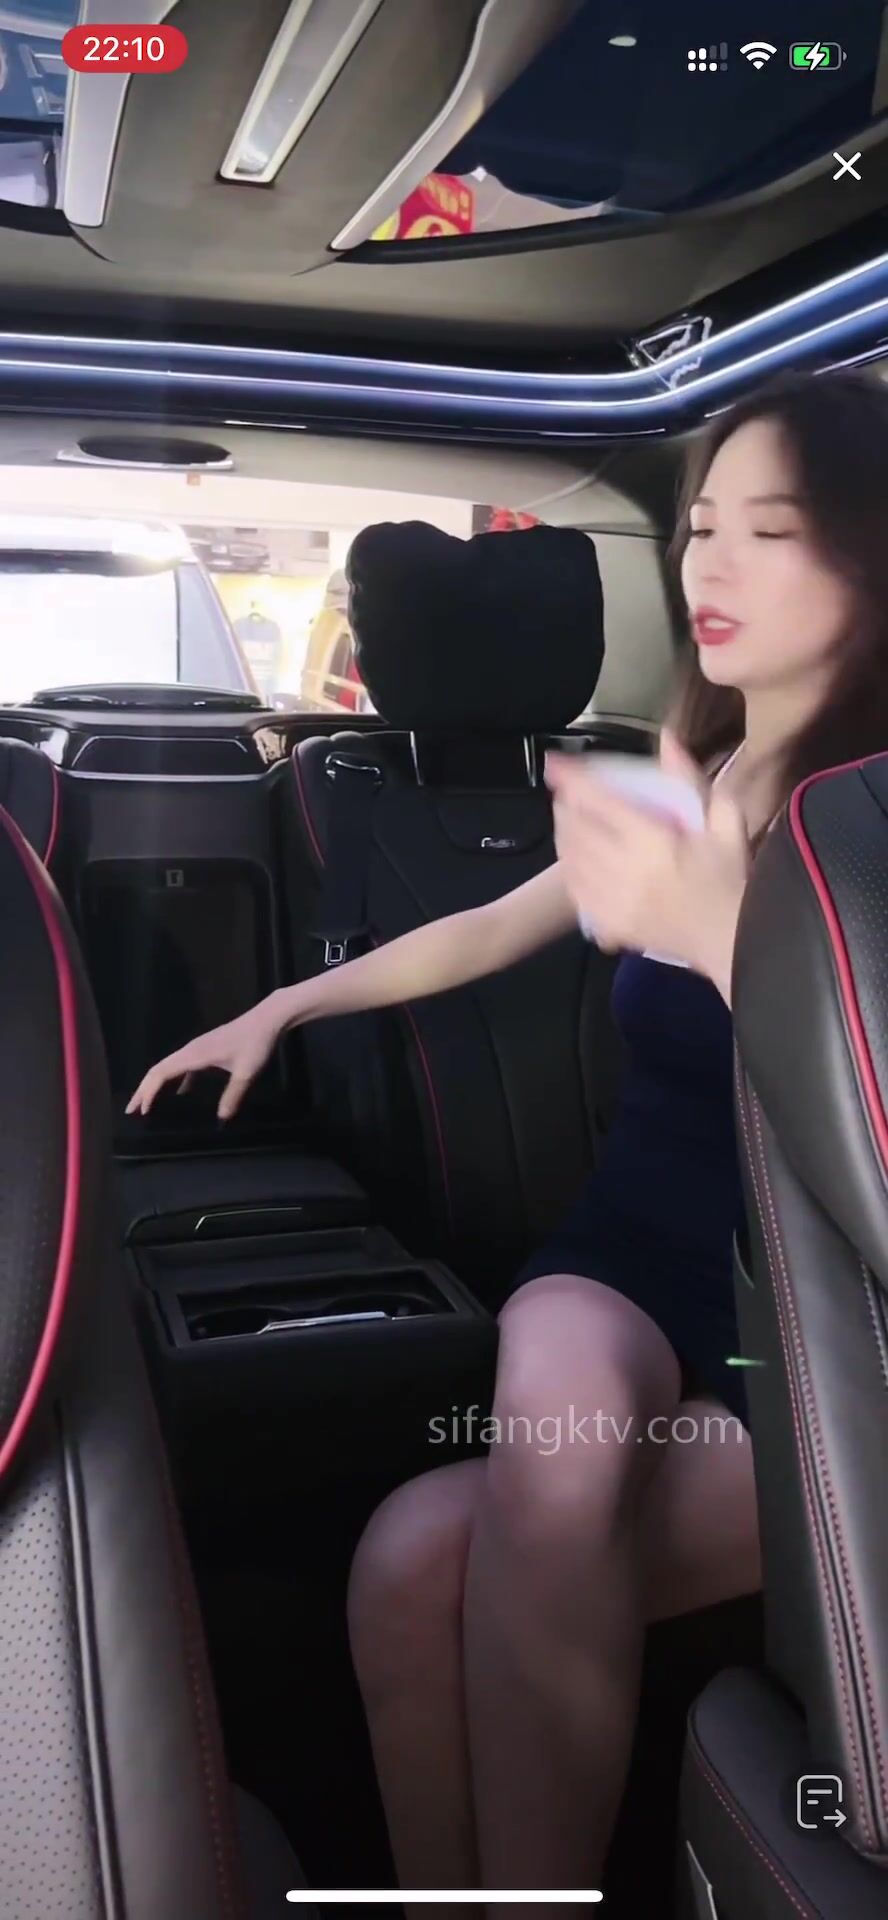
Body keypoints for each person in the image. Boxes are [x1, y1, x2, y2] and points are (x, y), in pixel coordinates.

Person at [127, 371, 888, 1905]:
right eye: (700, 529)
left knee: (418, 1555)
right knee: (558, 1414)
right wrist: (281, 1004)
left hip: (815, 1339)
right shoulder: (682, 785)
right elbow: (487, 927)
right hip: (628, 1263)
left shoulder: (868, 820)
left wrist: (718, 933)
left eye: (772, 531)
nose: (713, 566)